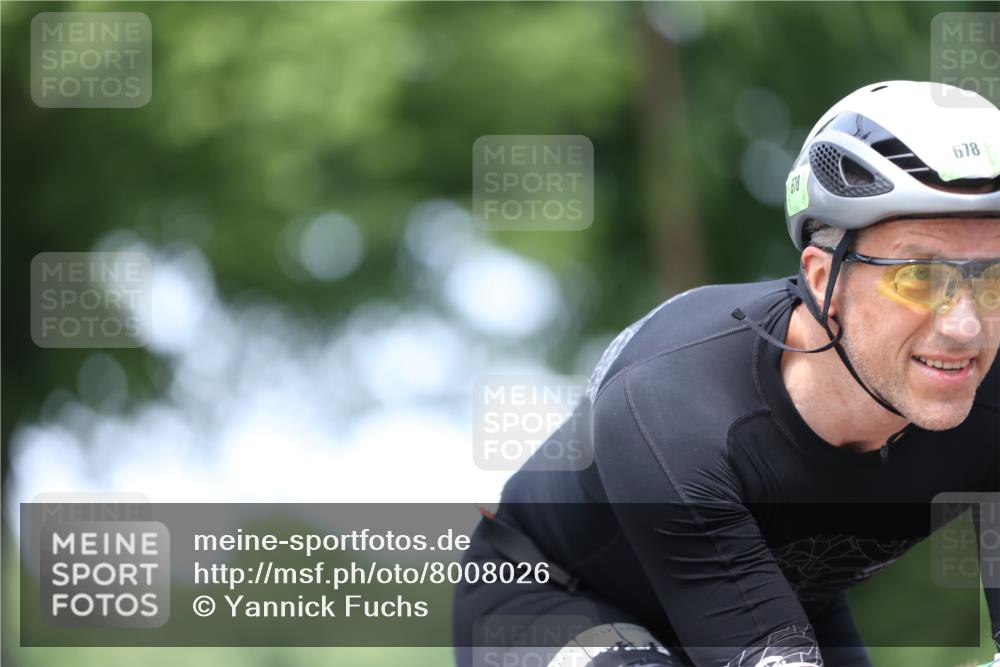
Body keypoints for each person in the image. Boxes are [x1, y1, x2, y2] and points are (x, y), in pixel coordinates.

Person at [452, 80, 1000, 667]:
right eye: (917, 277)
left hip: (773, 591)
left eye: (995, 277)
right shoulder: (673, 399)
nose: (964, 327)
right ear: (823, 280)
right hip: (551, 598)